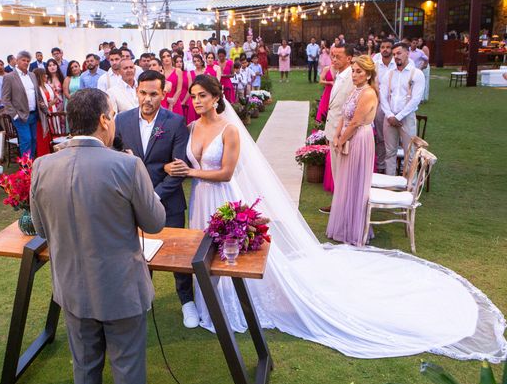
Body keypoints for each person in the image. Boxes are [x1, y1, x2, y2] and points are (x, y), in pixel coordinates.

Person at [162, 76, 507, 362]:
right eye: (193, 96)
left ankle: (234, 303)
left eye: (203, 96)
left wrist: (191, 171)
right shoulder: (191, 128)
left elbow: (224, 173)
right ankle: (211, 304)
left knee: (229, 253)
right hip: (200, 200)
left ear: (217, 97)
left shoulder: (230, 130)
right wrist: (173, 168)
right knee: (205, 250)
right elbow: (181, 161)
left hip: (220, 195)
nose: (197, 101)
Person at [31, 88, 164, 384]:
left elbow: (41, 229)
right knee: (127, 367)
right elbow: (155, 222)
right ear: (105, 120)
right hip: (120, 289)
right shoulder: (126, 164)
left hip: (72, 289)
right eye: (114, 115)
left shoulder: (42, 165)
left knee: (85, 366)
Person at [114, 70, 196, 328]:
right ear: (136, 91)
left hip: (167, 201)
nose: (147, 99)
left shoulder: (175, 122)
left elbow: (179, 167)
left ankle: (187, 301)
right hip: (130, 202)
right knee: (136, 252)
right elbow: (113, 157)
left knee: (177, 255)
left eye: (153, 94)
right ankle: (143, 297)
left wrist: (154, 195)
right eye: (142, 93)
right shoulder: (121, 120)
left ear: (163, 94)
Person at [326, 56, 377, 246]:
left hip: (360, 138)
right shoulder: (354, 90)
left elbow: (356, 122)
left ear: (368, 74)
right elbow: (343, 116)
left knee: (355, 181)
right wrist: (337, 136)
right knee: (345, 181)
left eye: (359, 71)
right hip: (348, 136)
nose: (354, 75)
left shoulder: (368, 93)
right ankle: (345, 225)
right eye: (354, 71)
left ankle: (354, 228)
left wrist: (342, 139)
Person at [380, 42, 425, 176]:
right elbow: (383, 96)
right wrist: (389, 116)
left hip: (407, 117)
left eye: (399, 53)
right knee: (389, 153)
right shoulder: (389, 74)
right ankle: (389, 185)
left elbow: (415, 99)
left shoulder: (416, 74)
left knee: (410, 154)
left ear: (407, 53)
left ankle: (410, 187)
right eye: (394, 54)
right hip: (389, 118)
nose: (396, 57)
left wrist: (398, 117)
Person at [319, 44, 355, 214]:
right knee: (336, 171)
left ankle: (341, 206)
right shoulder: (339, 74)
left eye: (338, 56)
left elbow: (349, 108)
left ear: (349, 58)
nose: (333, 59)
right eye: (332, 56)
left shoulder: (352, 77)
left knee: (342, 172)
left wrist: (341, 135)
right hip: (332, 130)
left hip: (342, 133)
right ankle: (338, 202)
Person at [1, 50, 48, 158]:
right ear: (17, 61)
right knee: (26, 140)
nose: (26, 63)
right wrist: (15, 115)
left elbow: (37, 94)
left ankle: (30, 165)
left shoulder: (32, 75)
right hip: (20, 116)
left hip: (34, 114)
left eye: (28, 61)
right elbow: (5, 99)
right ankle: (26, 169)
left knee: (33, 140)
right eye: (23, 60)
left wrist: (43, 108)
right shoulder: (9, 77)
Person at [372, 39, 396, 173]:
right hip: (380, 104)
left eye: (388, 47)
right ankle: (381, 166)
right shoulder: (376, 65)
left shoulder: (397, 64)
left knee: (394, 137)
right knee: (381, 137)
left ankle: (396, 166)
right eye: (382, 47)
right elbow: (374, 85)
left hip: (396, 105)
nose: (385, 49)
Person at [33, 68, 54, 157]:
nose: (46, 75)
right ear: (39, 76)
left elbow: (54, 96)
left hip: (52, 111)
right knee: (42, 137)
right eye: (44, 74)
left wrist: (53, 101)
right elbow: (38, 103)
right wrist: (48, 105)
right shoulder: (36, 88)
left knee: (51, 135)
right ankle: (43, 154)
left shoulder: (47, 85)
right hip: (42, 115)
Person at [159, 49, 183, 115]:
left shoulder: (178, 71)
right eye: (163, 57)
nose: (166, 58)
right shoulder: (159, 72)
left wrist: (172, 102)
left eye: (168, 56)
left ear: (171, 57)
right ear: (161, 60)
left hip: (174, 100)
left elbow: (179, 89)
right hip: (162, 101)